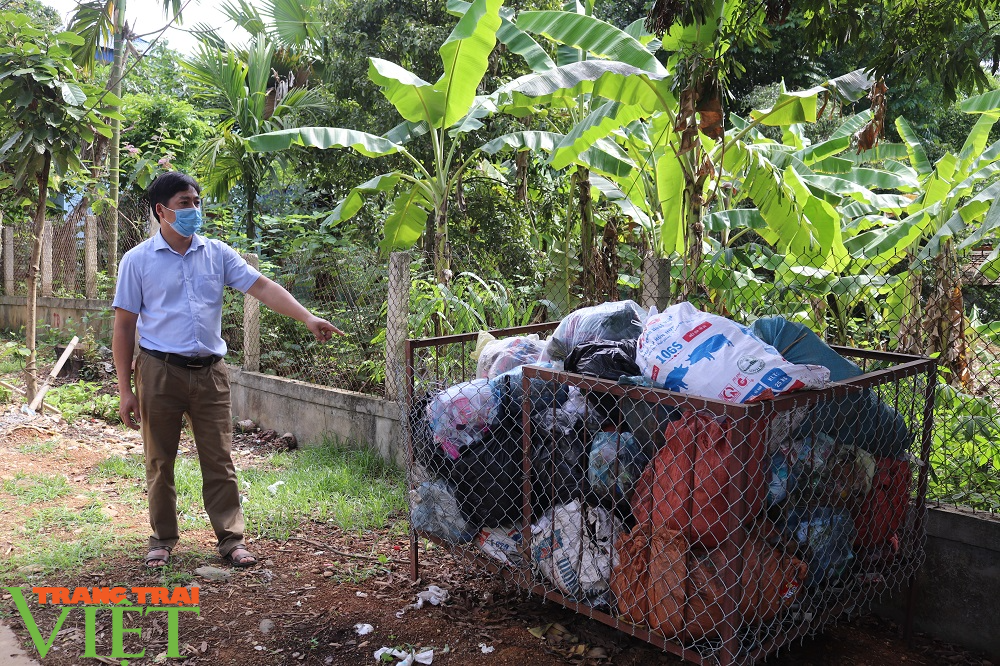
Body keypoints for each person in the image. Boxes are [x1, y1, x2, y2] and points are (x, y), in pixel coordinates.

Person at [112, 171, 344, 569]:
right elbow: (123, 325)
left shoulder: (217, 253)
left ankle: (231, 540)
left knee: (219, 459)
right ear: (161, 211)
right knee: (159, 459)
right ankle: (162, 539)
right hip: (157, 371)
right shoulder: (137, 262)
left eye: (197, 202)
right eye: (185, 203)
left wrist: (307, 317)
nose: (194, 210)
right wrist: (125, 389)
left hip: (210, 374)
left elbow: (263, 287)